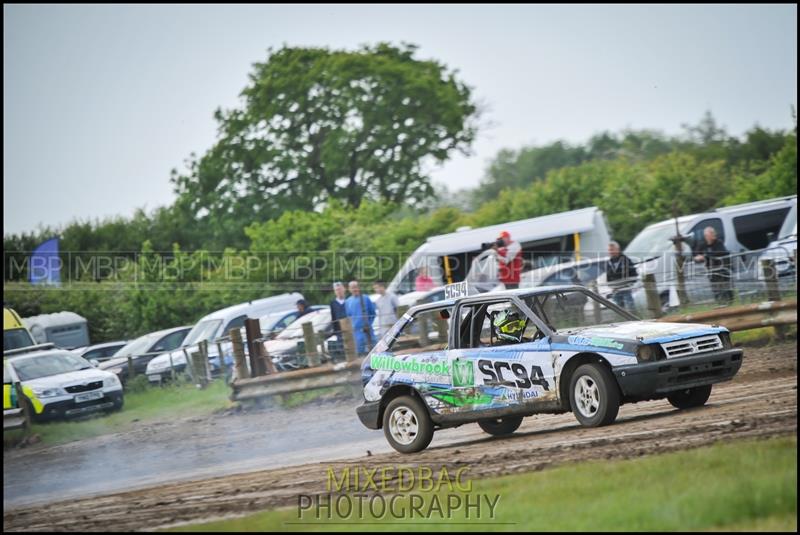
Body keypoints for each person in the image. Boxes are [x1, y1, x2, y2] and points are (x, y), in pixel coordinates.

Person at [693, 227, 733, 304]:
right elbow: (696, 254)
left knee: (725, 288)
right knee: (716, 289)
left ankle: (730, 302)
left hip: (722, 269)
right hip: (711, 271)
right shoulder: (702, 245)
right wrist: (697, 258)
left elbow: (722, 252)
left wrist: (705, 256)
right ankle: (720, 303)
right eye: (708, 235)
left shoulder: (718, 243)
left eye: (712, 233)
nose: (713, 235)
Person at [345, 280, 377, 355]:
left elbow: (372, 313)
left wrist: (369, 323)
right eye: (352, 288)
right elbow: (348, 317)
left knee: (374, 350)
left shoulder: (365, 298)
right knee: (360, 353)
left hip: (368, 330)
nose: (354, 289)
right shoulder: (348, 302)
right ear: (349, 289)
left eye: (356, 287)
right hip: (356, 332)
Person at [606, 241, 638, 310]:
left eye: (612, 250)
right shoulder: (608, 262)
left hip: (626, 288)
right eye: (609, 250)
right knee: (619, 310)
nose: (610, 252)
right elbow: (608, 277)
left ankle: (634, 319)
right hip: (616, 290)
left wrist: (630, 283)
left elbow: (634, 273)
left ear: (618, 249)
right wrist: (611, 286)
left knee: (630, 308)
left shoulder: (626, 260)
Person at [328, 282, 348, 361]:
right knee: (343, 350)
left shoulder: (349, 300)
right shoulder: (333, 303)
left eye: (340, 289)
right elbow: (333, 317)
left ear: (344, 289)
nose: (339, 291)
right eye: (336, 290)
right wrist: (335, 331)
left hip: (350, 329)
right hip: (340, 331)